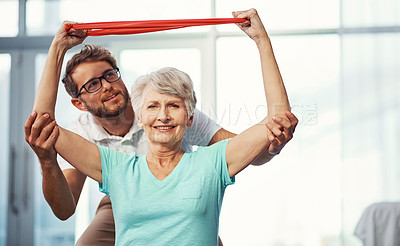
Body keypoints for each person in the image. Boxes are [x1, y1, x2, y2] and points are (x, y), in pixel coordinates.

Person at [25, 8, 298, 245]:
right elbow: (43, 124)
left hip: (192, 197)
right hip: (122, 198)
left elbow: (270, 128)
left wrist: (262, 41)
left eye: (110, 75)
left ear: (189, 117)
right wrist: (58, 47)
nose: (163, 116)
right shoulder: (114, 167)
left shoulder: (210, 161)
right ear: (142, 117)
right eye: (154, 106)